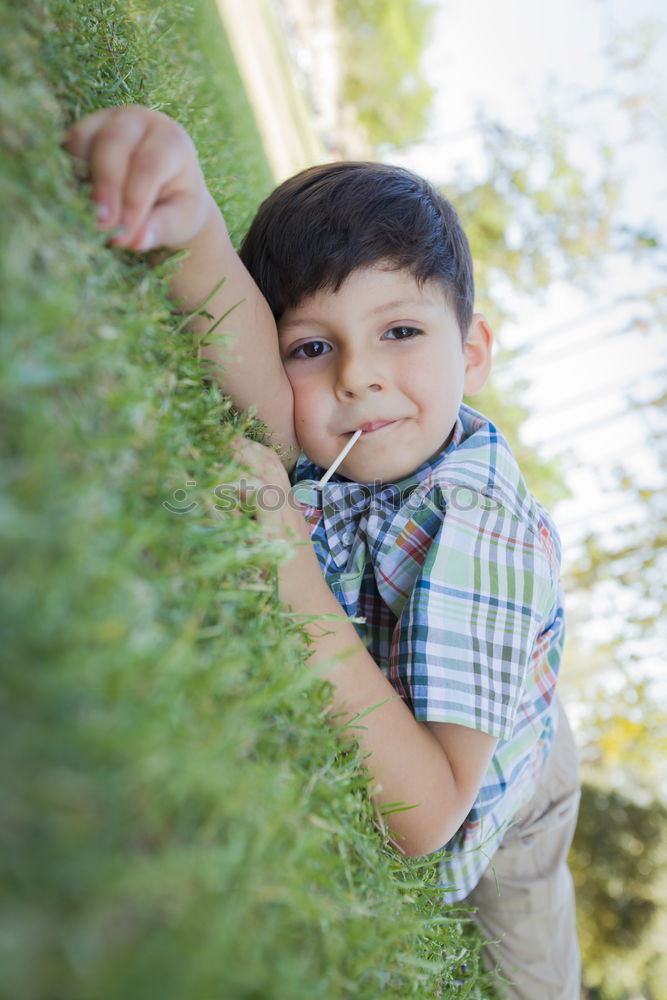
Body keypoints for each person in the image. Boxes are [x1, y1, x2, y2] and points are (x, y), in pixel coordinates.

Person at [65, 106, 582, 999]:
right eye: (315, 344)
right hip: (448, 655)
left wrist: (290, 572)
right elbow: (268, 393)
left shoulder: (479, 527)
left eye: (400, 333)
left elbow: (426, 815)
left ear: (473, 349)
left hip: (518, 769)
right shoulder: (357, 427)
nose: (356, 375)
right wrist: (184, 217)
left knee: (528, 968)